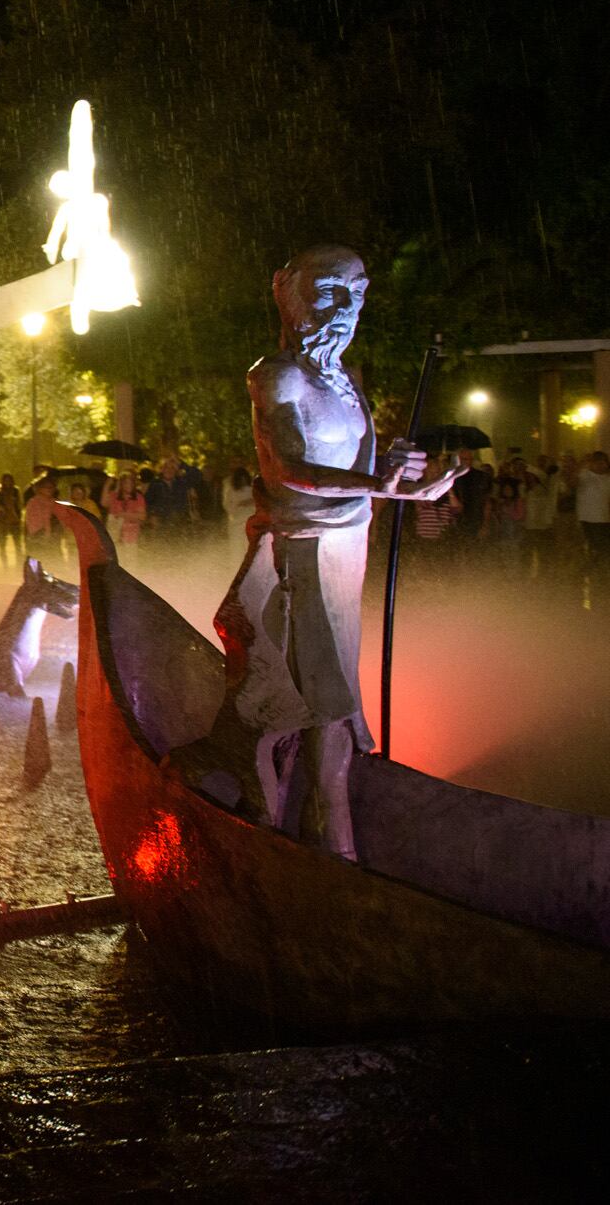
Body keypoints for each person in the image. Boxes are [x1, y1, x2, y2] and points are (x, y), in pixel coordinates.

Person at [175, 245, 453, 859]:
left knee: (336, 703)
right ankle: (292, 838)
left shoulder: (346, 381)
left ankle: (327, 834)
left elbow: (358, 471)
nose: (347, 307)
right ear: (285, 290)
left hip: (345, 553)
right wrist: (377, 484)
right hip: (298, 556)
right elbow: (292, 470)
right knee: (309, 700)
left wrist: (399, 473)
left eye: (357, 292)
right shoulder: (276, 375)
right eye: (329, 289)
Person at [579, 450, 610, 569]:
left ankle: (600, 570)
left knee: (603, 548)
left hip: (604, 518)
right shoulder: (584, 475)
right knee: (594, 546)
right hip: (588, 518)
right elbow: (572, 483)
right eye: (597, 462)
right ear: (592, 463)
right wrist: (581, 463)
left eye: (603, 462)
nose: (601, 465)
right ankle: (594, 569)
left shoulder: (608, 478)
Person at [103, 471, 147, 546]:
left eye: (131, 483)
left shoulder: (138, 497)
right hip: (114, 537)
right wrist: (107, 486)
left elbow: (142, 516)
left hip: (130, 537)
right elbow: (104, 503)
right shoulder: (114, 496)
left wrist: (122, 515)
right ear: (121, 484)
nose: (128, 485)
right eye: (125, 483)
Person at [220, 460, 255, 548]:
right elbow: (227, 505)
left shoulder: (253, 490)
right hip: (236, 522)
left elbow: (260, 503)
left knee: (249, 546)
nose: (242, 480)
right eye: (240, 478)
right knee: (236, 547)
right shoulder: (231, 491)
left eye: (244, 477)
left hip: (250, 521)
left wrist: (250, 502)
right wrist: (238, 506)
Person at [0, 472, 23, 564]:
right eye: (6, 480)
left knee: (17, 544)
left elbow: (19, 505)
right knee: (2, 545)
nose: (7, 482)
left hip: (14, 519)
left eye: (9, 480)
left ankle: (18, 564)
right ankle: (5, 564)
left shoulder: (15, 491)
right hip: (3, 520)